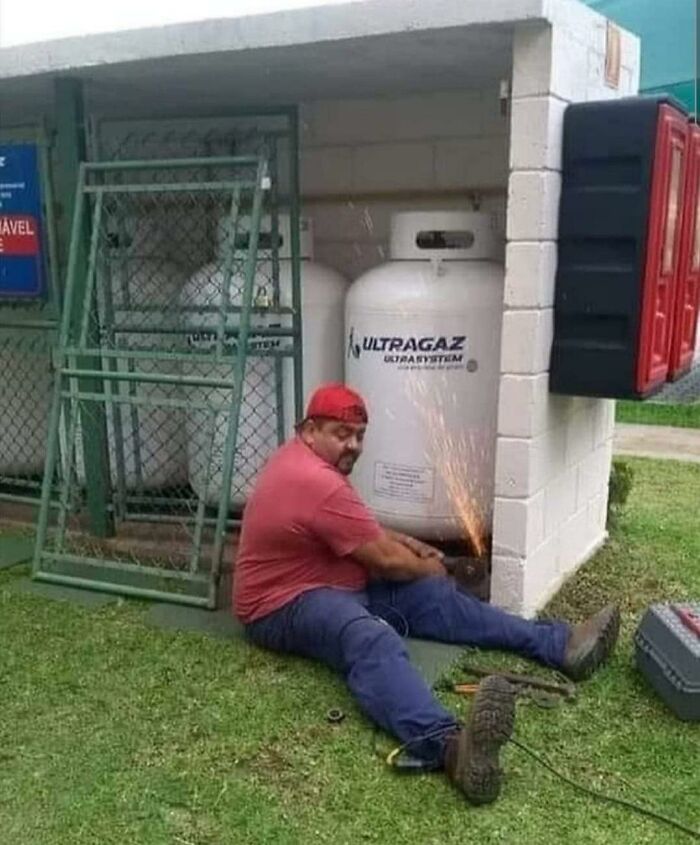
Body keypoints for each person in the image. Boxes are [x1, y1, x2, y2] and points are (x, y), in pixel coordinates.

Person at [233, 383, 620, 805]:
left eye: (360, 435)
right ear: (309, 431)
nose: (354, 445)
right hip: (280, 604)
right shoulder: (313, 480)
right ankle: (451, 748)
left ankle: (560, 645)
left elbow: (356, 526)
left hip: (334, 579)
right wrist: (433, 566)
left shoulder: (313, 468)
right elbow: (387, 562)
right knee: (370, 637)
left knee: (434, 598)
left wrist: (408, 543)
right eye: (341, 434)